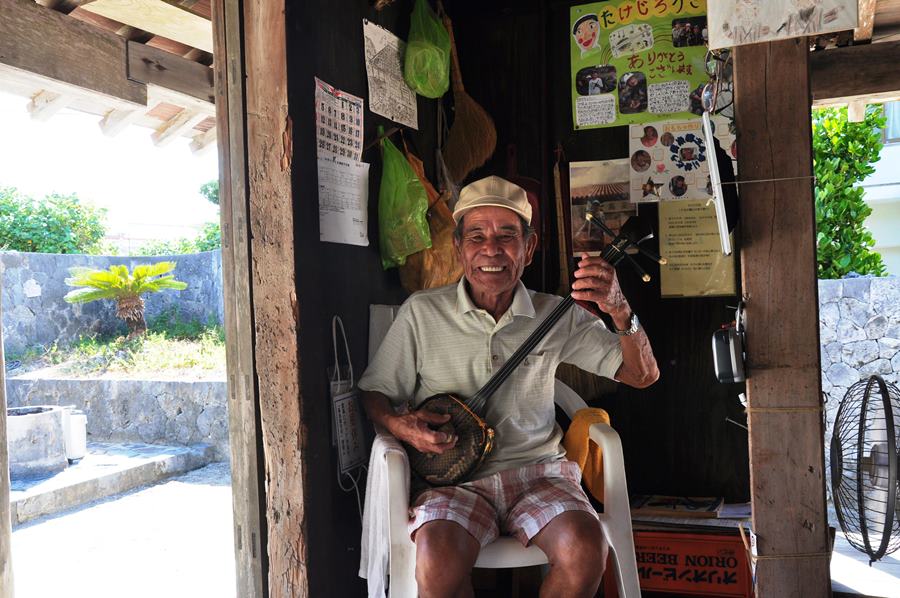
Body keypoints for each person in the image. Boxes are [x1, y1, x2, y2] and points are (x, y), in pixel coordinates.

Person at [360, 176, 659, 597]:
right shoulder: (422, 313)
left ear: (528, 248)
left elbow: (642, 375)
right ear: (458, 247)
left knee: (585, 549)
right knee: (437, 563)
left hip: (540, 474)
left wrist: (620, 310)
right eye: (476, 236)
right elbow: (374, 391)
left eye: (507, 236)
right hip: (453, 482)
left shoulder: (556, 314)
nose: (491, 249)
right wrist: (401, 426)